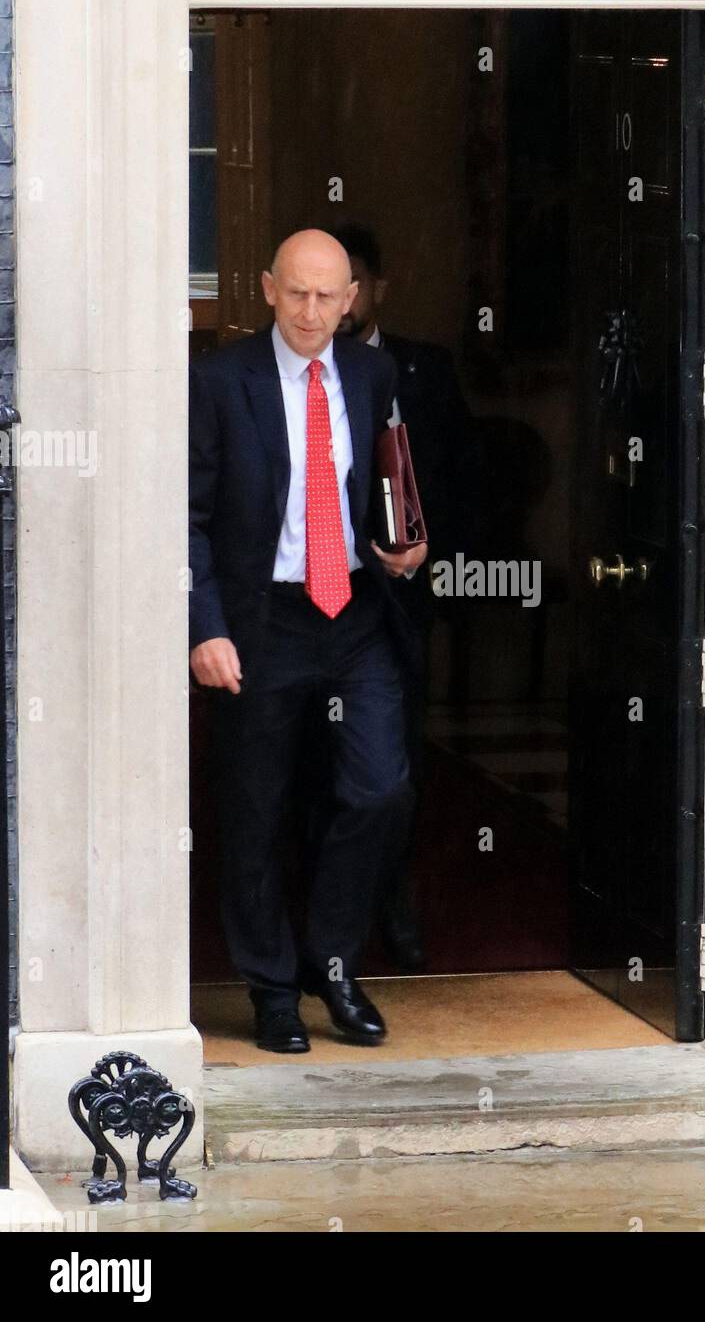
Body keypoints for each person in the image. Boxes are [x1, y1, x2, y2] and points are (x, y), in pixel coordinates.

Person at [189, 229, 427, 1054]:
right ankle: (271, 990)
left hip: (353, 614)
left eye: (329, 296)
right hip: (262, 620)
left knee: (378, 788)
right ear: (266, 288)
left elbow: (381, 485)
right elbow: (186, 519)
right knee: (255, 810)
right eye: (297, 293)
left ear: (352, 299)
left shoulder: (369, 372)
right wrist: (206, 627)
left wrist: (398, 544)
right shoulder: (221, 381)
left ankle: (331, 963)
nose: (312, 312)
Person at [332, 223, 471, 973]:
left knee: (393, 768)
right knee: (310, 769)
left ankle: (394, 898)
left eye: (352, 282)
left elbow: (455, 473)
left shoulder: (425, 369)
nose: (339, 299)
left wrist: (426, 548)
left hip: (399, 604)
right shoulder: (286, 371)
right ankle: (324, 928)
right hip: (312, 602)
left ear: (374, 288)